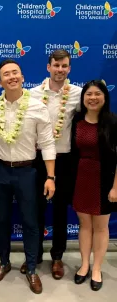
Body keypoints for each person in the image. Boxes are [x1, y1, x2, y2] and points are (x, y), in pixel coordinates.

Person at [0, 59, 56, 294]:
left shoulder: (37, 106)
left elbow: (46, 142)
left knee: (30, 222)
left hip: (28, 171)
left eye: (15, 72)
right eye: (6, 74)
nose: (12, 77)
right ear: (0, 81)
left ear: (23, 77)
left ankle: (32, 268)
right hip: (0, 170)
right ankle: (4, 263)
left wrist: (51, 176)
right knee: (2, 220)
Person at [28, 49, 82, 279]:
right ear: (48, 67)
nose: (60, 70)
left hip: (65, 161)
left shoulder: (78, 94)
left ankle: (57, 257)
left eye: (64, 66)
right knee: (35, 210)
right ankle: (35, 255)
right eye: (56, 65)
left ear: (69, 68)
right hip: (37, 159)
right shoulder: (32, 93)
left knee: (60, 212)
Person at [71, 80, 117, 291]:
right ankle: (84, 265)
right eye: (89, 94)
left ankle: (97, 268)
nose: (93, 98)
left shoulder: (112, 122)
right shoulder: (77, 121)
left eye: (97, 94)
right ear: (83, 98)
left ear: (105, 97)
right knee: (84, 225)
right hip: (81, 178)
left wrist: (115, 187)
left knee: (100, 226)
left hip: (105, 180)